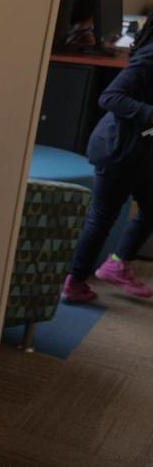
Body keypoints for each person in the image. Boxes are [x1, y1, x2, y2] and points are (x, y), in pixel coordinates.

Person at [64, 17, 153, 302]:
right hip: (118, 149)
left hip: (142, 149)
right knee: (103, 217)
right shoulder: (151, 56)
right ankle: (74, 282)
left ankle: (118, 263)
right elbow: (110, 96)